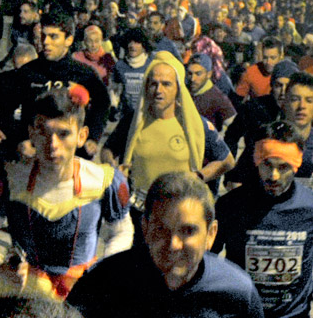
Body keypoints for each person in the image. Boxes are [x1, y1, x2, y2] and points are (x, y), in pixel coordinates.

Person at [0, 86, 133, 299]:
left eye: (63, 133)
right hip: (25, 296)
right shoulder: (9, 178)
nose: (52, 144)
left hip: (82, 294)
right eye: (43, 132)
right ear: (31, 133)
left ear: (82, 136)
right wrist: (1, 267)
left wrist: (105, 271)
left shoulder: (105, 181)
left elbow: (122, 231)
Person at [67, 172, 264, 318]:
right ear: (145, 228)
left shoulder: (237, 291)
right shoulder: (104, 281)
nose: (173, 245)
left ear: (211, 234)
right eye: (161, 230)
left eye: (188, 231)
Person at [214, 121, 313, 318]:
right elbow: (207, 254)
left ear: (297, 165)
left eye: (283, 167)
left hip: (293, 314)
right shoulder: (230, 206)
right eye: (267, 165)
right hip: (240, 312)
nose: (274, 176)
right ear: (256, 161)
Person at [103, 51, 234, 226]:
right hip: (141, 216)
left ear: (178, 88)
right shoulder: (134, 121)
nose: (159, 90)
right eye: (153, 84)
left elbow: (227, 161)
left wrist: (199, 176)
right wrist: (114, 170)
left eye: (166, 84)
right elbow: (107, 150)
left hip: (181, 216)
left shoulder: (195, 124)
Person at [228, 72, 313, 202]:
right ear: (284, 104)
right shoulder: (264, 138)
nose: (301, 106)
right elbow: (235, 179)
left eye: (308, 101)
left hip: (304, 217)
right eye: (295, 99)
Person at [17, 10, 110, 159]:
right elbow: (8, 108)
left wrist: (92, 136)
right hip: (36, 152)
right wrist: (21, 138)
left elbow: (103, 103)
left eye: (53, 36)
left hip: (72, 154)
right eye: (43, 36)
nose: (46, 42)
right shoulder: (28, 71)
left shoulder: (83, 73)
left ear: (69, 40)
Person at [0, 43, 38, 170]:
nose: (21, 73)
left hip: (30, 138)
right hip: (5, 135)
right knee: (2, 176)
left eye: (25, 68)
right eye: (17, 68)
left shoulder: (41, 83)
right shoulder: (2, 79)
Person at [187, 53, 236, 133]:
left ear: (209, 74)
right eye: (190, 73)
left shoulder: (217, 97)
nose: (193, 79)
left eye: (198, 74)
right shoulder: (184, 90)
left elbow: (234, 124)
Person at [235, 37, 284, 104]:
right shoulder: (250, 73)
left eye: (273, 58)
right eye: (265, 58)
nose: (268, 62)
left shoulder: (289, 72)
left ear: (281, 56)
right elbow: (237, 101)